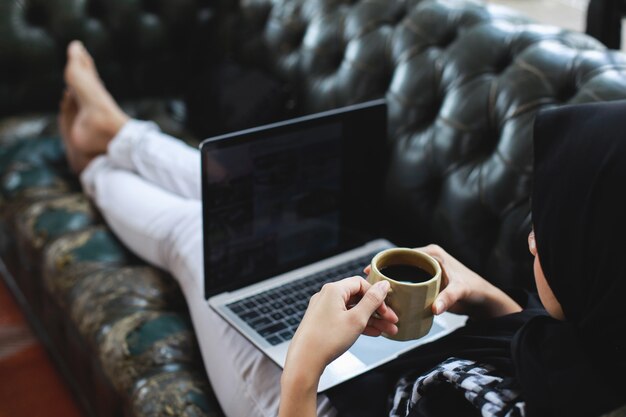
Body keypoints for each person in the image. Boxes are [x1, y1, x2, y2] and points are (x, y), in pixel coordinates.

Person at [59, 40, 625, 417]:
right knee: (247, 201)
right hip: (382, 368)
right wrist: (486, 295)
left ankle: (94, 166)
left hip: (313, 402)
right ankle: (113, 131)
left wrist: (304, 368)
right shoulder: (606, 350)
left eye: (553, 230)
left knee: (194, 234)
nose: (530, 239)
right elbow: (536, 356)